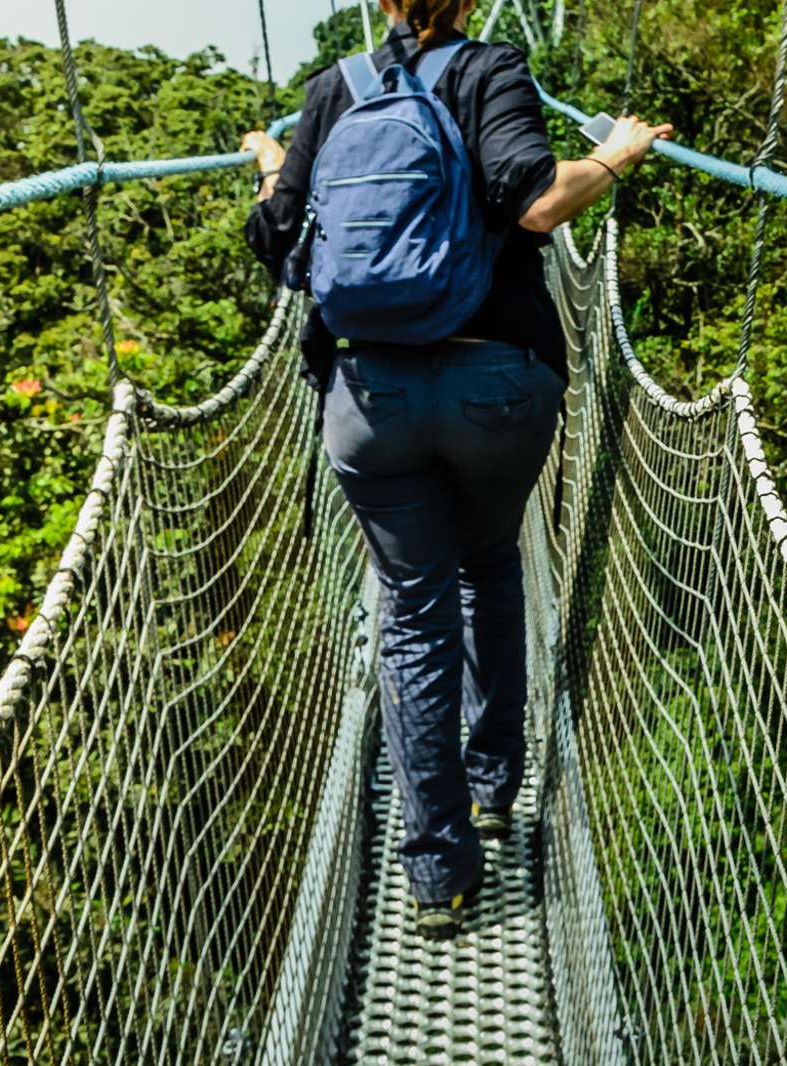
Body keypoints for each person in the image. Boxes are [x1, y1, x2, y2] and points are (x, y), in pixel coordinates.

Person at [241, 0, 671, 940]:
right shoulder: (491, 69)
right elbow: (540, 202)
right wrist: (618, 154)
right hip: (496, 389)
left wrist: (278, 169)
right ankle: (491, 793)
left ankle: (438, 875)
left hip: (370, 399)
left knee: (411, 614)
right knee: (493, 565)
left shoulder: (331, 91)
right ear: (469, 3)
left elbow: (279, 243)